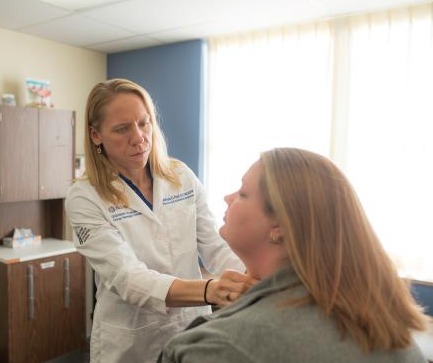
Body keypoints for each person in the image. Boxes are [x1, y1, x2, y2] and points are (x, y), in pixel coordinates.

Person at [159, 147, 430, 363]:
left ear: (278, 226)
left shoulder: (213, 348)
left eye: (243, 193)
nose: (228, 197)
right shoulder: (386, 324)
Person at [65, 78, 251, 363]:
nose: (138, 137)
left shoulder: (180, 176)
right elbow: (127, 277)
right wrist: (209, 290)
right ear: (95, 135)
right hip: (130, 340)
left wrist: (257, 281)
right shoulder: (85, 196)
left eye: (144, 122)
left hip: (190, 327)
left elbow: (215, 245)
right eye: (122, 129)